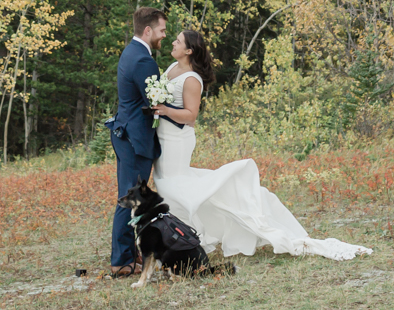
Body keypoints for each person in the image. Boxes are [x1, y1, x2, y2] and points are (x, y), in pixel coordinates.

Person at [149, 28, 372, 261]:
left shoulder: (192, 79)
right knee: (167, 184)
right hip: (163, 136)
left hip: (178, 140)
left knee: (171, 186)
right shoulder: (171, 68)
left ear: (189, 50)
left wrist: (164, 110)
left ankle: (185, 237)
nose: (173, 43)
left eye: (178, 41)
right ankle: (183, 235)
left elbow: (191, 115)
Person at [107, 6, 168, 277]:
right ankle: (122, 261)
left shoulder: (131, 51)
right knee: (131, 197)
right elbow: (154, 103)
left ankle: (126, 256)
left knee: (130, 194)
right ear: (148, 30)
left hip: (125, 133)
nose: (164, 35)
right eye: (162, 30)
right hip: (134, 138)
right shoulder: (143, 60)